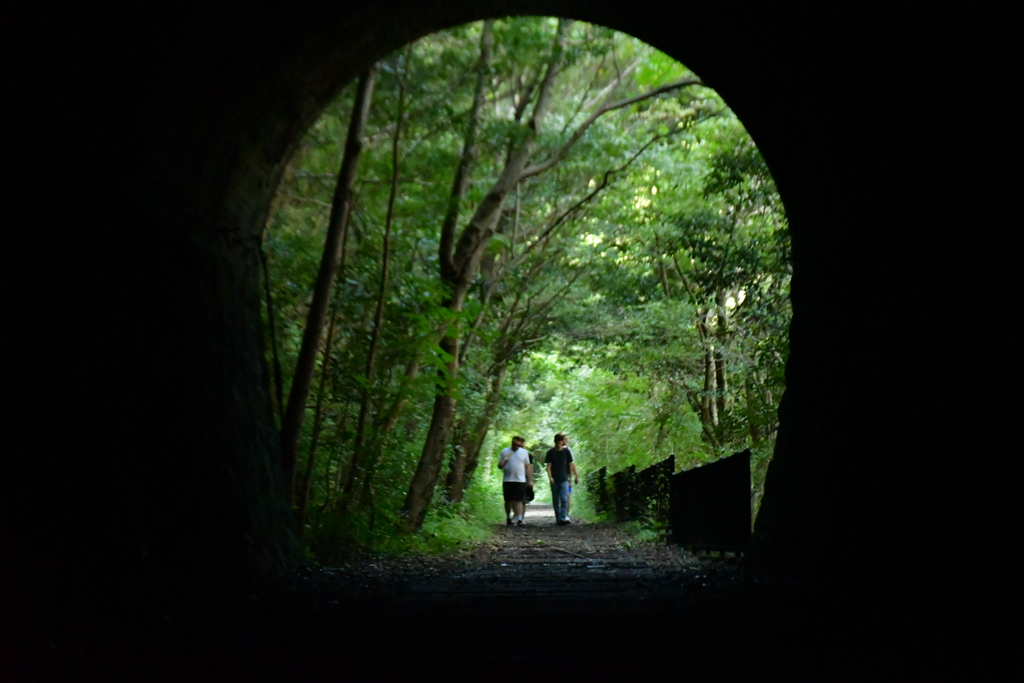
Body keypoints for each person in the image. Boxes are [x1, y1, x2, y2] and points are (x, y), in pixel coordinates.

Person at [498, 436, 533, 526]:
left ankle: (520, 518)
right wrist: (502, 462)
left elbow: (527, 467)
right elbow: (500, 465)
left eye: (518, 445)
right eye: (514, 444)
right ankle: (508, 517)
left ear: (520, 444)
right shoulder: (506, 452)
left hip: (520, 480)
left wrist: (530, 480)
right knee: (508, 500)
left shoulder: (524, 452)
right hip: (508, 479)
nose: (516, 446)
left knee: (519, 500)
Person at [544, 433, 578, 525]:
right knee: (556, 499)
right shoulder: (550, 452)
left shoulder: (566, 452)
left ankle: (563, 517)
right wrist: (550, 477)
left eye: (560, 443)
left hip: (564, 478)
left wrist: (570, 478)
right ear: (555, 442)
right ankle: (558, 518)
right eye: (557, 443)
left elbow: (570, 465)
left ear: (562, 442)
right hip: (554, 479)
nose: (559, 445)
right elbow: (548, 466)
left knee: (564, 498)